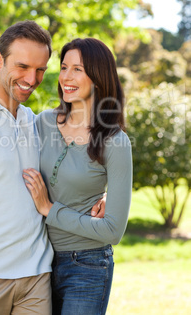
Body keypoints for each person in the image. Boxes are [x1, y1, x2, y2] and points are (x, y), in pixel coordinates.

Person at [0, 21, 105, 315]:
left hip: (36, 279)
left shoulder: (33, 121)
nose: (31, 78)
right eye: (22, 66)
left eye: (40, 69)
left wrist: (103, 195)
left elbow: (74, 161)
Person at [22, 37, 133, 315]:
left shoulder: (114, 141)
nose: (66, 77)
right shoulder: (42, 122)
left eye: (77, 70)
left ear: (97, 77)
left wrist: (49, 208)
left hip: (88, 266)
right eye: (63, 67)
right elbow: (4, 167)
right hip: (38, 262)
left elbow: (112, 231)